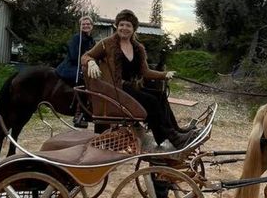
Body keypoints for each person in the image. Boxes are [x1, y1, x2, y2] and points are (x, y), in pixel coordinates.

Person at [81, 8, 196, 150]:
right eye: (121, 24)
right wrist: (91, 62)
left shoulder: (138, 48)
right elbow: (86, 56)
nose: (124, 28)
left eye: (128, 25)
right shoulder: (107, 43)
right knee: (151, 101)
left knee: (159, 95)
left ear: (133, 28)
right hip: (117, 90)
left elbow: (145, 72)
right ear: (117, 25)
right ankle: (174, 138)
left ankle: (175, 130)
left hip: (132, 88)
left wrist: (164, 75)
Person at [56, 16, 96, 127]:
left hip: (83, 66)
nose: (86, 26)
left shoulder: (92, 40)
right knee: (85, 79)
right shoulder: (76, 38)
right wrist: (87, 63)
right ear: (80, 26)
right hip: (70, 67)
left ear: (92, 26)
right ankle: (78, 114)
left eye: (88, 24)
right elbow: (74, 57)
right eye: (83, 24)